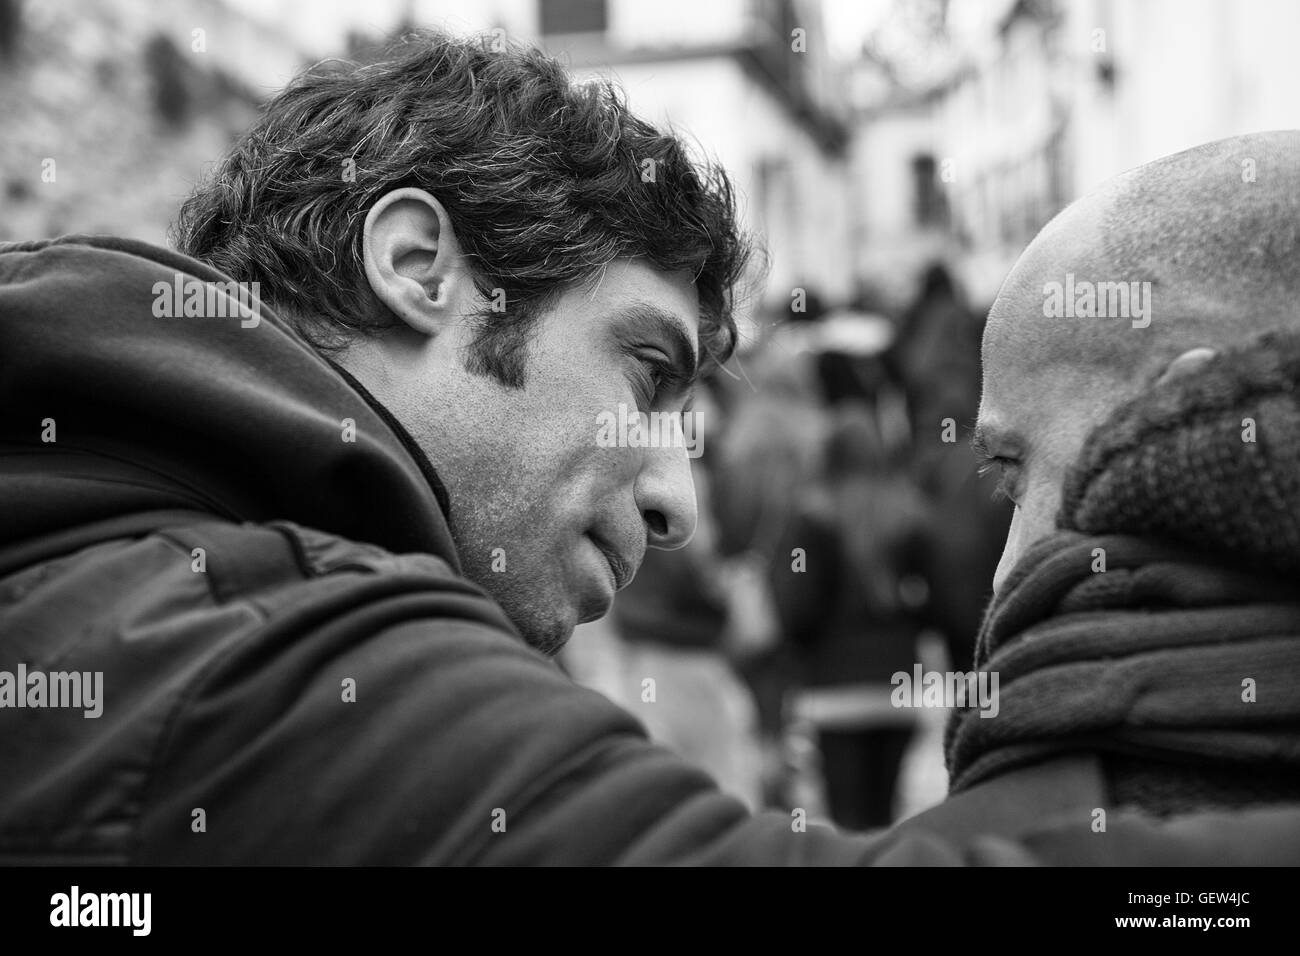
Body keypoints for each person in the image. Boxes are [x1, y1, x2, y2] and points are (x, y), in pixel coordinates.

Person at [1, 23, 1298, 863]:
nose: (680, 493)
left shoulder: (135, 564)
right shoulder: (227, 637)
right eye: (648, 367)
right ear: (417, 268)